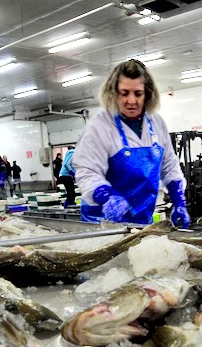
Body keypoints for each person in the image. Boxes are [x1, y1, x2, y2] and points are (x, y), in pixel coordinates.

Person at [73, 59, 190, 227]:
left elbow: (169, 166)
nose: (131, 100)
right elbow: (87, 172)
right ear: (114, 93)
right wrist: (107, 196)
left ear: (148, 94)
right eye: (124, 93)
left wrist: (179, 202)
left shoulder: (157, 123)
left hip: (141, 220)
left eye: (138, 93)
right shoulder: (99, 125)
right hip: (102, 222)